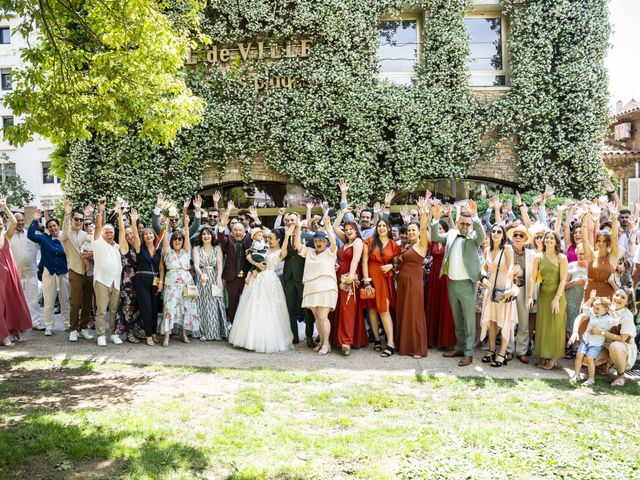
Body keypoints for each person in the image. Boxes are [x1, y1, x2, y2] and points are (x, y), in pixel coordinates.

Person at [430, 200, 485, 366]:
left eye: (468, 224)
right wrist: (435, 219)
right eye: (462, 223)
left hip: (467, 284)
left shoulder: (474, 236)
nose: (465, 226)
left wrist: (475, 216)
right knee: (457, 318)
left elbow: (481, 235)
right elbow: (435, 237)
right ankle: (460, 347)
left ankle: (468, 353)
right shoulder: (452, 234)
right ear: (458, 221)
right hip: (451, 283)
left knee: (469, 320)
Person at [229, 227, 295, 352]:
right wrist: (256, 264)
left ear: (278, 240)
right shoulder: (262, 247)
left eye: (271, 238)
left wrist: (287, 236)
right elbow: (248, 254)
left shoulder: (280, 252)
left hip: (269, 280)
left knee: (268, 307)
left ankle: (265, 339)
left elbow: (285, 249)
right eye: (267, 237)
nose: (268, 239)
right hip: (256, 278)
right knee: (252, 306)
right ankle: (248, 339)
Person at [296, 216, 338, 355]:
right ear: (313, 242)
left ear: (325, 242)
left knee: (322, 316)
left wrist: (327, 227)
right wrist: (296, 228)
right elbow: (297, 246)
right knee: (317, 317)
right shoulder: (309, 252)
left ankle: (326, 344)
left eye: (321, 240)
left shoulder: (330, 252)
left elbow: (333, 243)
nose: (319, 243)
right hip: (311, 288)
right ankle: (321, 342)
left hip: (326, 287)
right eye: (316, 241)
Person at [528, 231, 568, 370]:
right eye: (547, 238)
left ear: (557, 242)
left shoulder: (561, 258)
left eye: (552, 238)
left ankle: (554, 358)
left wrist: (557, 298)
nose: (549, 240)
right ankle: (543, 355)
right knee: (543, 326)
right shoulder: (538, 257)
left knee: (556, 326)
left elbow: (563, 279)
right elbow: (533, 277)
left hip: (558, 294)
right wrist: (529, 296)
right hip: (543, 294)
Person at [395, 198, 430, 358]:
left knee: (415, 313)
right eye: (408, 230)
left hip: (414, 282)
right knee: (404, 312)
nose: (410, 233)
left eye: (413, 231)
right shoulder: (407, 246)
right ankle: (404, 345)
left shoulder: (421, 245)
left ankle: (417, 348)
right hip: (402, 282)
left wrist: (423, 211)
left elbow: (423, 228)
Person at [159, 213, 200, 347]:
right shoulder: (167, 252)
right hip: (171, 284)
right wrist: (165, 225)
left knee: (185, 308)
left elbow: (187, 236)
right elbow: (165, 238)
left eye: (179, 239)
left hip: (186, 284)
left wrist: (187, 225)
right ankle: (166, 335)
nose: (177, 240)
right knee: (169, 308)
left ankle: (183, 333)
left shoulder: (186, 252)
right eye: (175, 238)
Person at [479, 225, 518, 367]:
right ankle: (491, 350)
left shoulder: (507, 248)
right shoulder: (487, 249)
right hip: (491, 287)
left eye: (499, 231)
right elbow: (484, 267)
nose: (495, 233)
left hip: (504, 286)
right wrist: (483, 278)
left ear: (503, 234)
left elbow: (511, 267)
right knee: (492, 320)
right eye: (493, 231)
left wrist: (508, 287)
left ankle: (502, 353)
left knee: (505, 320)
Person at [361, 219, 401, 357]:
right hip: (371, 279)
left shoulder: (394, 245)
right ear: (376, 228)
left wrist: (392, 266)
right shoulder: (369, 241)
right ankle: (377, 340)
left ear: (389, 228)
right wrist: (366, 281)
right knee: (371, 309)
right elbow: (364, 261)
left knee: (384, 310)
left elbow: (397, 264)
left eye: (384, 226)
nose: (382, 228)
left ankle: (390, 343)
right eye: (379, 226)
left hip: (384, 280)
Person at [27, 209, 70, 336]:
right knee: (49, 301)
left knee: (65, 300)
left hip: (63, 272)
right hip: (48, 272)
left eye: (54, 225)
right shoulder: (44, 238)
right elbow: (30, 235)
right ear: (47, 228)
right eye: (50, 226)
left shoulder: (64, 238)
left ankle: (67, 324)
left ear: (58, 226)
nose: (52, 228)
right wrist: (35, 220)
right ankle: (49, 326)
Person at [331, 210, 368, 355]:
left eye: (350, 229)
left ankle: (346, 341)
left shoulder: (358, 241)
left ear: (355, 230)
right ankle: (337, 338)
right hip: (338, 275)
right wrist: (342, 213)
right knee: (339, 307)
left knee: (348, 309)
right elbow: (334, 227)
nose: (347, 232)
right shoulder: (346, 241)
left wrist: (350, 277)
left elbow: (355, 259)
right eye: (346, 230)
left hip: (349, 277)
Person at [61, 200, 94, 342]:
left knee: (87, 302)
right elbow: (65, 226)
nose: (79, 221)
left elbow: (94, 240)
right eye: (76, 219)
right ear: (72, 220)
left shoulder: (84, 234)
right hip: (75, 271)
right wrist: (67, 213)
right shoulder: (65, 234)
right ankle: (73, 329)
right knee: (75, 302)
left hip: (89, 272)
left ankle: (83, 328)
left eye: (81, 220)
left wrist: (91, 253)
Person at [0, 195, 32, 345]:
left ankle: (15, 330)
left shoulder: (6, 236)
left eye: (0, 224)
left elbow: (13, 222)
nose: (0, 226)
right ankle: (4, 335)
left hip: (9, 273)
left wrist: (4, 207)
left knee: (13, 300)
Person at [92, 199, 124, 347]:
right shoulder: (98, 243)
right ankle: (100, 335)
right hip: (102, 281)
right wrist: (101, 210)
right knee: (101, 310)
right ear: (102, 234)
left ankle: (112, 333)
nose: (110, 234)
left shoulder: (116, 247)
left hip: (115, 282)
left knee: (113, 310)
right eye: (107, 232)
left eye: (111, 232)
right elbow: (98, 226)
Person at [281, 211, 315, 346]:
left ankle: (309, 335)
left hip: (302, 276)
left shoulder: (307, 236)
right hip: (288, 276)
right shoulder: (282, 235)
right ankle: (294, 335)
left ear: (298, 221)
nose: (290, 222)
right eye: (288, 220)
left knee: (306, 307)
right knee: (290, 307)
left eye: (292, 220)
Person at [569, 293, 616, 386]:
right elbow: (585, 307)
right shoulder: (593, 313)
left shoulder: (607, 318)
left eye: (598, 308)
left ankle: (591, 379)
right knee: (579, 355)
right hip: (586, 340)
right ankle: (576, 374)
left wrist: (612, 310)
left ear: (605, 309)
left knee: (589, 358)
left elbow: (615, 322)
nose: (595, 310)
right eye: (594, 307)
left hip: (596, 344)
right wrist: (591, 299)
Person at [594, 287, 638, 386]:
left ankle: (621, 376)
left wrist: (602, 332)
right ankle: (608, 361)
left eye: (622, 297)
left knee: (615, 346)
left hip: (623, 348)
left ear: (627, 302)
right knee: (587, 361)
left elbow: (623, 339)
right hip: (606, 346)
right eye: (617, 295)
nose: (618, 298)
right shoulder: (606, 307)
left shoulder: (627, 315)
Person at [193, 227, 230, 341]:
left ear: (212, 236)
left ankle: (216, 332)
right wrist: (201, 275)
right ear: (201, 236)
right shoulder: (197, 248)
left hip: (214, 276)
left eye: (208, 234)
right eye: (204, 234)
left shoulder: (217, 248)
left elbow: (219, 264)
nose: (206, 236)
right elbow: (196, 265)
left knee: (215, 304)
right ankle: (203, 332)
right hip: (202, 278)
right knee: (203, 305)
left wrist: (219, 278)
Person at [505, 224, 535, 363]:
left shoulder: (531, 254)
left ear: (525, 239)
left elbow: (533, 276)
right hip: (509, 288)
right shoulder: (506, 251)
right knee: (509, 322)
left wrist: (530, 295)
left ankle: (521, 351)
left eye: (520, 235)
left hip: (523, 289)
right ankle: (508, 350)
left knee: (523, 323)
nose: (517, 237)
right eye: (515, 235)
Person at [8, 211, 43, 330]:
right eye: (18, 220)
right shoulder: (8, 236)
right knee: (16, 301)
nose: (20, 223)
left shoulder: (31, 234)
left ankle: (35, 323)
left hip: (31, 272)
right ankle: (17, 325)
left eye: (22, 220)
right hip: (15, 274)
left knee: (33, 299)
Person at [425, 219, 456, 349]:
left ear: (446, 231)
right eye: (437, 229)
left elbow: (456, 231)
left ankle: (446, 340)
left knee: (446, 305)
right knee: (433, 304)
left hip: (446, 275)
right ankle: (431, 339)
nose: (438, 231)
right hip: (433, 275)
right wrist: (425, 214)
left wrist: (451, 217)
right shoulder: (432, 241)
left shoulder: (450, 241)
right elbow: (425, 228)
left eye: (441, 229)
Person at [217, 210, 252, 323]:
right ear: (231, 231)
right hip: (232, 277)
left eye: (240, 230)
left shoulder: (249, 239)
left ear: (244, 231)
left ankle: (245, 325)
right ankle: (232, 324)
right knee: (232, 303)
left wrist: (256, 220)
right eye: (235, 230)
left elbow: (261, 233)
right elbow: (221, 239)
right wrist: (222, 227)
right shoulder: (228, 239)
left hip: (247, 278)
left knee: (247, 302)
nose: (237, 232)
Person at [116, 207, 143, 343]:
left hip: (139, 283)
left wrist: (134, 222)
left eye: (132, 233)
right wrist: (120, 214)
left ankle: (135, 329)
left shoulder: (138, 247)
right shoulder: (124, 248)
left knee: (137, 308)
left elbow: (136, 234)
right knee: (128, 307)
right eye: (128, 235)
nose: (130, 236)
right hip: (128, 283)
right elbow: (121, 230)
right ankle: (128, 333)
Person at [581, 205, 619, 300]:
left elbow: (615, 238)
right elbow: (584, 240)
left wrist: (614, 218)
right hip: (590, 293)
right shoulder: (592, 256)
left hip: (606, 294)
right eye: (599, 240)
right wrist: (585, 222)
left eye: (604, 241)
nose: (601, 243)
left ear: (608, 243)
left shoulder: (612, 257)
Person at [133, 224, 162, 346]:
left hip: (155, 280)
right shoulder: (140, 247)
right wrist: (134, 221)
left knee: (155, 308)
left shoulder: (158, 250)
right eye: (145, 234)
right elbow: (135, 236)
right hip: (142, 280)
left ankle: (154, 333)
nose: (148, 235)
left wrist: (161, 281)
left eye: (150, 233)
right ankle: (148, 335)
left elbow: (161, 267)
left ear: (154, 236)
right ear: (143, 237)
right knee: (147, 308)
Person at [564, 244, 587, 357]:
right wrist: (574, 282)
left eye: (584, 253)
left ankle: (580, 349)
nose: (582, 256)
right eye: (580, 253)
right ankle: (571, 346)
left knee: (583, 323)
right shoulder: (571, 266)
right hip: (571, 299)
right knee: (570, 323)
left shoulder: (591, 267)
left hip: (585, 301)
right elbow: (563, 285)